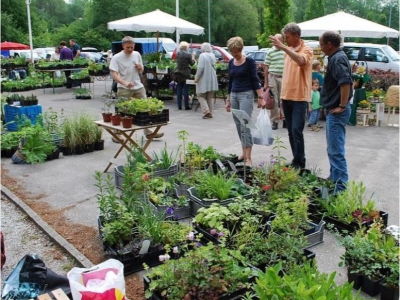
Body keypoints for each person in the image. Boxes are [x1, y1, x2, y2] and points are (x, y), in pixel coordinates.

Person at [269, 23, 313, 170]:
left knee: (296, 131)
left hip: (299, 98)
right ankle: (296, 160)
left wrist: (284, 48)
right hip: (286, 96)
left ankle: (301, 163)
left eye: (288, 37)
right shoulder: (287, 51)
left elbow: (301, 61)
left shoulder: (307, 49)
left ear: (296, 36)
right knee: (290, 131)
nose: (286, 40)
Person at [109, 36, 163, 139]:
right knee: (123, 110)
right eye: (127, 47)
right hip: (124, 88)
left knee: (145, 109)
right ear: (123, 46)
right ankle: (117, 134)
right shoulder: (116, 57)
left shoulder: (137, 54)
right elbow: (114, 75)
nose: (130, 49)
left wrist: (140, 68)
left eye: (132, 47)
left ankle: (148, 132)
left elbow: (141, 71)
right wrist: (124, 83)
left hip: (138, 86)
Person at [319, 31, 353, 193]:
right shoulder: (336, 57)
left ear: (329, 44)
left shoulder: (337, 59)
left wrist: (342, 105)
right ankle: (334, 179)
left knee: (336, 150)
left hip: (337, 111)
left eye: (321, 44)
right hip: (334, 109)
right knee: (333, 148)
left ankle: (340, 188)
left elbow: (345, 82)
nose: (320, 48)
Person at [225, 36, 265, 167]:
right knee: (238, 125)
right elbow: (230, 81)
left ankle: (248, 157)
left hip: (246, 95)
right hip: (234, 95)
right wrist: (228, 99)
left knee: (245, 125)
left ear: (241, 49)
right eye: (232, 51)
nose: (233, 54)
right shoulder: (231, 62)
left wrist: (260, 97)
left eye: (236, 51)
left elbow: (255, 79)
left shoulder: (249, 62)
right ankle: (243, 152)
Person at [263, 33, 285, 130]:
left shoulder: (285, 51)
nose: (277, 42)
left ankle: (285, 119)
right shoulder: (270, 52)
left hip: (284, 77)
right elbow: (266, 67)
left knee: (284, 100)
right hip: (273, 76)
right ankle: (274, 121)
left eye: (279, 40)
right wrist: (266, 82)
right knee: (274, 100)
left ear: (282, 41)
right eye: (275, 40)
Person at [194, 43, 219, 119]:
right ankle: (211, 112)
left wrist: (197, 77)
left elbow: (200, 68)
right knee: (210, 96)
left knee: (200, 95)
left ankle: (206, 111)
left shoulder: (202, 55)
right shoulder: (212, 55)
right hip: (212, 78)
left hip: (204, 78)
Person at [174, 41, 196, 110]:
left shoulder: (177, 54)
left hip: (178, 73)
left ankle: (179, 106)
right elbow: (192, 64)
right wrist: (193, 57)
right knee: (186, 89)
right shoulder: (188, 54)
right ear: (186, 47)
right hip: (186, 73)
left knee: (179, 89)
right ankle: (186, 106)